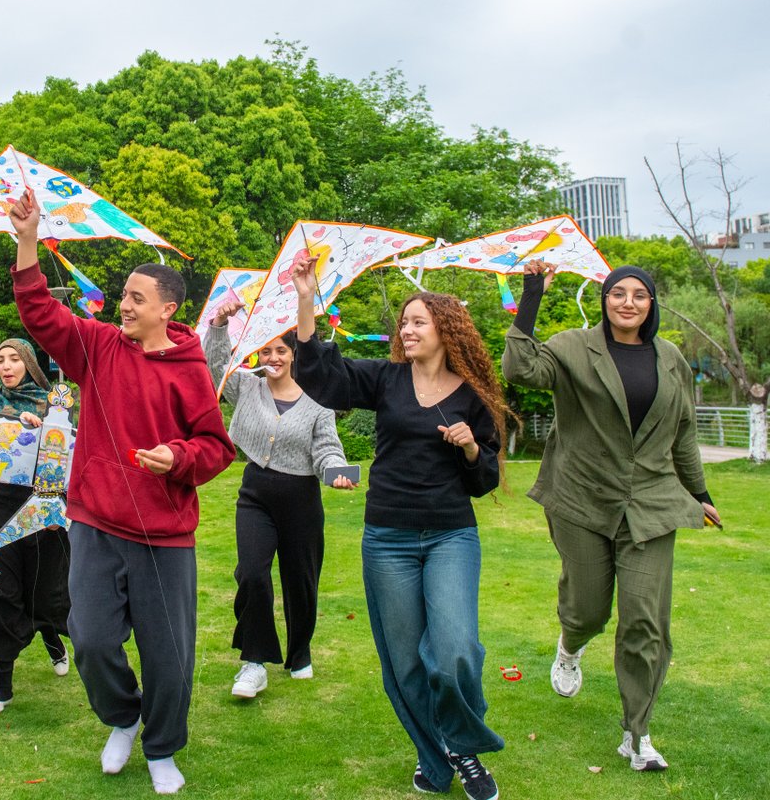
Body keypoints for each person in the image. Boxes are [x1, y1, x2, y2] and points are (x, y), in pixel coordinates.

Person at [8, 189, 236, 795]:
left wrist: (178, 458)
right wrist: (28, 239)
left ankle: (162, 747)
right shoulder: (98, 346)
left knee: (170, 657)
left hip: (165, 536)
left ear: (167, 309)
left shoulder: (191, 369)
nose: (124, 305)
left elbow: (216, 446)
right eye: (125, 295)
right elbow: (38, 313)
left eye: (137, 298)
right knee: (91, 639)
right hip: (96, 521)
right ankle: (123, 717)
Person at [290, 257, 508, 800]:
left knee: (455, 650)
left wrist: (471, 447)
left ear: (445, 331)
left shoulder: (472, 395)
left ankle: (461, 744)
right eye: (404, 323)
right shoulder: (385, 379)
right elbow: (322, 376)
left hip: (450, 535)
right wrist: (307, 298)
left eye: (417, 323)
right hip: (387, 538)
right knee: (407, 662)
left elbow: (484, 480)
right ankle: (443, 758)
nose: (406, 331)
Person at [502, 262, 720, 773]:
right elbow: (520, 370)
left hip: (651, 502)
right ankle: (570, 644)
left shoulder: (670, 361)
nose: (627, 302)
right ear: (603, 300)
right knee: (588, 610)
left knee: (646, 621)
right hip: (582, 498)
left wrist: (699, 492)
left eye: (639, 295)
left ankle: (637, 733)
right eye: (617, 293)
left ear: (651, 304)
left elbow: (683, 433)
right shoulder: (573, 346)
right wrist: (530, 297)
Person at [203, 302, 355, 698]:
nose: (272, 358)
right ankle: (254, 662)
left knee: (301, 583)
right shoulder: (247, 387)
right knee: (251, 574)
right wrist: (219, 325)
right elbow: (213, 367)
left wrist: (336, 472)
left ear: (294, 355)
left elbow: (327, 450)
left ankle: (299, 650)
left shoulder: (318, 401)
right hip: (255, 493)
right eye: (266, 351)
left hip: (301, 499)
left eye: (281, 351)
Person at [0, 337, 72, 715]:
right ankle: (3, 687)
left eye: (14, 359)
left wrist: (45, 424)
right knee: (0, 588)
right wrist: (14, 424)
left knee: (43, 585)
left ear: (29, 363)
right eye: (0, 360)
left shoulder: (53, 402)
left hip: (43, 502)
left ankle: (52, 637)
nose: (6, 366)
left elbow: (67, 452)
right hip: (1, 503)